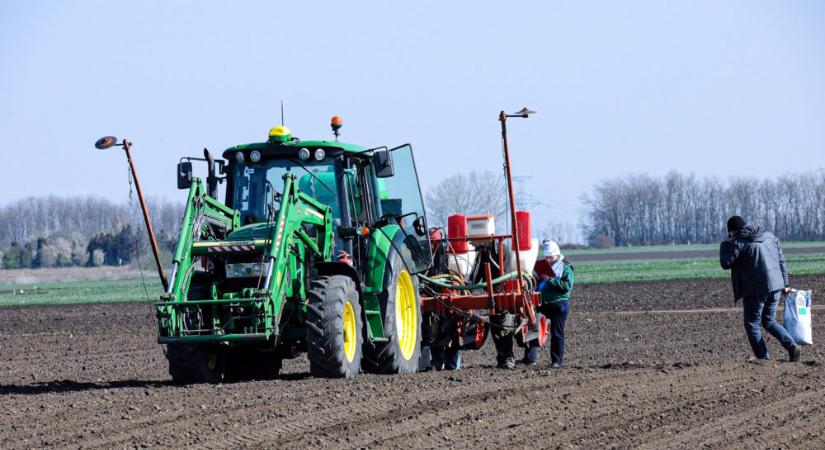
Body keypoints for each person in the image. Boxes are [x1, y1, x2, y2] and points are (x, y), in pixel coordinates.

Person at [719, 215, 801, 362]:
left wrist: (725, 243)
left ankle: (763, 358)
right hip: (776, 285)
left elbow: (726, 263)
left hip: (755, 288)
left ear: (733, 231)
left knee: (752, 323)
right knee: (769, 320)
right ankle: (792, 346)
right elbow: (781, 260)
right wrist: (785, 284)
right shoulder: (770, 236)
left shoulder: (740, 241)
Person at [522, 239, 574, 368]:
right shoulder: (543, 267)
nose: (548, 260)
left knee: (557, 333)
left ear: (557, 255)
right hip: (542, 303)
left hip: (559, 304)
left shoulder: (566, 268)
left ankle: (556, 361)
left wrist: (549, 279)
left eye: (550, 257)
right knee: (533, 328)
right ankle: (530, 359)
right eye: (546, 257)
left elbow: (566, 286)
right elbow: (535, 280)